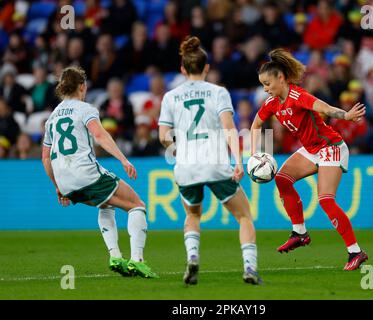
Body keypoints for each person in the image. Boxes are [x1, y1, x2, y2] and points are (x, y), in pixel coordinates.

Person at [250, 48, 368, 271]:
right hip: (312, 149)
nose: (265, 89)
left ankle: (355, 251)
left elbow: (324, 108)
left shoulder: (297, 96)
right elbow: (256, 125)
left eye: (267, 83)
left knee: (325, 200)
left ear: (281, 78)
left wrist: (346, 115)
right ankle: (300, 233)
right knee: (282, 179)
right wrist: (259, 153)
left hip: (330, 146)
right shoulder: (272, 103)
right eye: (263, 85)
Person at [158, 36, 261, 285]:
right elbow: (228, 128)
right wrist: (239, 161)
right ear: (207, 67)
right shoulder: (219, 93)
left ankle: (192, 257)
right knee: (244, 216)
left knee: (193, 215)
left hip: (186, 166)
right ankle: (250, 268)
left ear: (183, 69)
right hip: (215, 164)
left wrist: (179, 149)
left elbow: (163, 136)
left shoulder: (170, 97)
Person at [41, 66, 157, 279]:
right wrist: (123, 159)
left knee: (106, 204)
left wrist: (58, 186)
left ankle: (115, 256)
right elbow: (100, 136)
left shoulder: (52, 118)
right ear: (82, 87)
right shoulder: (85, 109)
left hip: (65, 181)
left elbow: (45, 158)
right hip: (85, 173)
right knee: (137, 205)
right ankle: (137, 261)